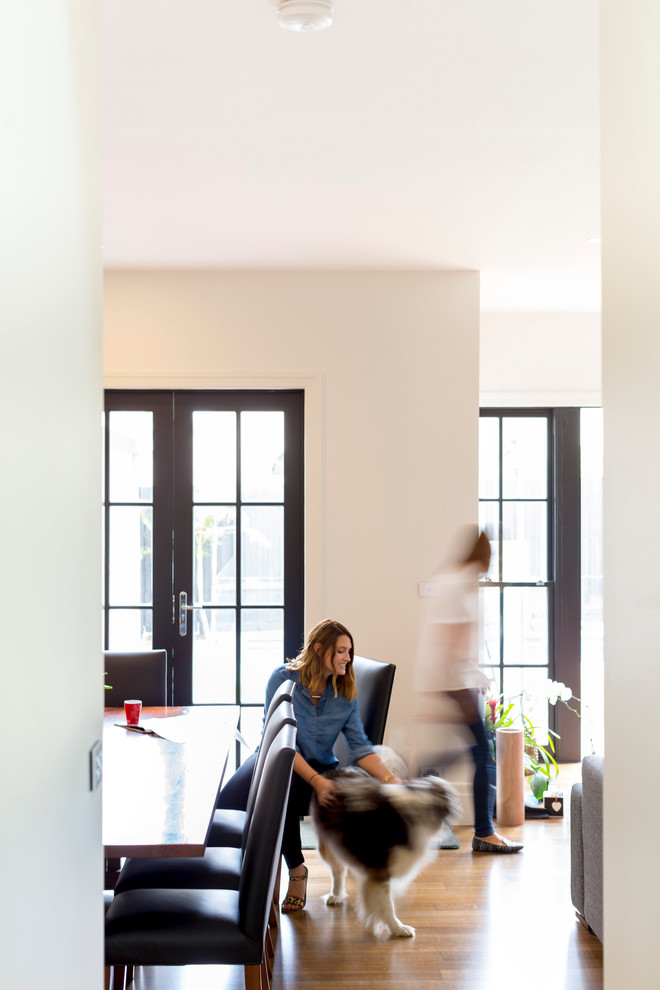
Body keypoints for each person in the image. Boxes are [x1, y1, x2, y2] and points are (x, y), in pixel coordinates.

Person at [218, 618, 403, 913]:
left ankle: (295, 870)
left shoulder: (344, 694)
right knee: (225, 807)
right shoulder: (282, 680)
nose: (347, 658)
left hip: (318, 769)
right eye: (341, 651)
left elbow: (360, 748)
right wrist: (316, 781)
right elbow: (278, 742)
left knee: (284, 787)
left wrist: (391, 779)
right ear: (319, 649)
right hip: (275, 759)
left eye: (349, 652)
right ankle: (236, 880)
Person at [414, 527, 523, 853]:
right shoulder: (460, 584)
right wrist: (464, 684)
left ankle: (417, 781)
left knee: (475, 751)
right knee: (484, 754)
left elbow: (448, 642)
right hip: (454, 683)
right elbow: (450, 644)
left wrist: (471, 676)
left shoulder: (452, 579)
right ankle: (484, 833)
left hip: (452, 682)